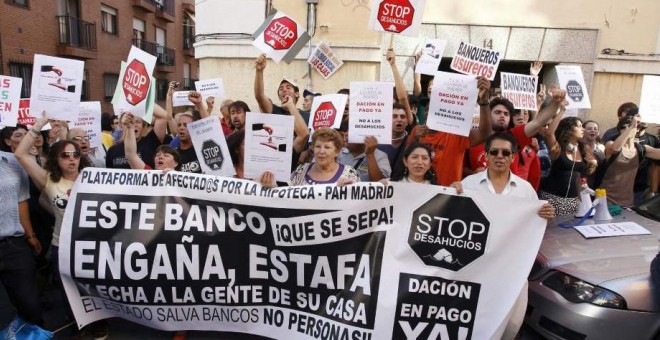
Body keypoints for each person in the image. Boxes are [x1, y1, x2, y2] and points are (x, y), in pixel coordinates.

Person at [450, 132, 555, 340]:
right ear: (486, 156)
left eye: (506, 152)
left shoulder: (525, 191)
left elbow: (533, 224)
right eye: (494, 152)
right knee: (473, 319)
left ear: (513, 157)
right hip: (475, 268)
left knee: (511, 323)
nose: (500, 156)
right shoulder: (468, 185)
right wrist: (451, 195)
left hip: (511, 269)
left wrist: (546, 215)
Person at [15, 117, 108, 339]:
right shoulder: (48, 180)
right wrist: (39, 125)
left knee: (95, 288)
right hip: (62, 247)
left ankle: (100, 323)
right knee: (69, 292)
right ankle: (80, 324)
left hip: (93, 246)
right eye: (65, 155)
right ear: (56, 159)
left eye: (75, 154)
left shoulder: (96, 178)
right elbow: (20, 154)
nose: (72, 159)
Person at [406, 76, 492, 186]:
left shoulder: (455, 132)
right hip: (420, 193)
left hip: (446, 196)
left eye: (434, 108)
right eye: (427, 108)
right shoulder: (417, 131)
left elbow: (484, 135)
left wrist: (484, 101)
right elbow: (405, 161)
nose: (428, 112)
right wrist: (415, 140)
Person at [0, 149, 42, 327]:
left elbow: (22, 200)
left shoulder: (12, 161)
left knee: (29, 303)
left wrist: (30, 234)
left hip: (13, 243)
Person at [539, 115, 598, 216]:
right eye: (579, 126)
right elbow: (549, 134)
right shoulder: (558, 148)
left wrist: (592, 165)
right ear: (569, 130)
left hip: (574, 202)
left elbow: (582, 176)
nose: (582, 129)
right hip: (552, 200)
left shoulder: (583, 148)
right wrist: (561, 110)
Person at [264, 128, 360, 186]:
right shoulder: (301, 170)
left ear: (337, 151)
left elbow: (359, 201)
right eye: (318, 146)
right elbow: (285, 194)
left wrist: (349, 190)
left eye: (327, 147)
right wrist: (269, 184)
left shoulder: (349, 173)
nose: (321, 151)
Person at [601, 114, 660, 207]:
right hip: (606, 199)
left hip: (628, 201)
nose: (627, 129)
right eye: (623, 127)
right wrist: (631, 127)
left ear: (637, 129)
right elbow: (615, 149)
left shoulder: (640, 148)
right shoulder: (611, 144)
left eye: (631, 126)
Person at [106, 105, 169, 169]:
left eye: (138, 122)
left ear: (143, 126)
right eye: (129, 121)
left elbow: (163, 116)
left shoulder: (151, 142)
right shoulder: (112, 151)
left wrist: (140, 101)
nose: (133, 125)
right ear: (121, 126)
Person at [254, 53, 310, 124]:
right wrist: (259, 71)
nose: (284, 90)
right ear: (279, 96)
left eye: (288, 87)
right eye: (281, 88)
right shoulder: (274, 111)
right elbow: (259, 97)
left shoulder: (307, 116)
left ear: (297, 94)